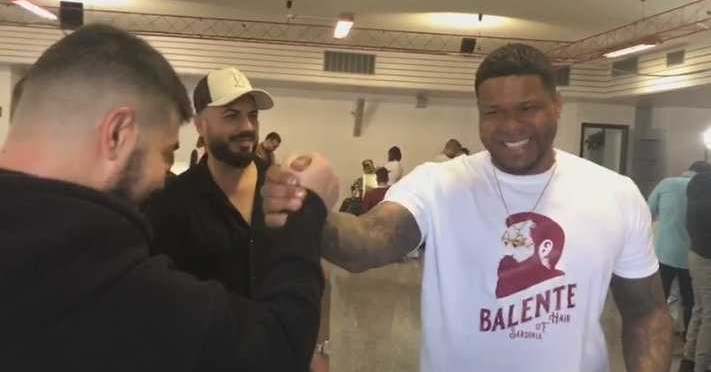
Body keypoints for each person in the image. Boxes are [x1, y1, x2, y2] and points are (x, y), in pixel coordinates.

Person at [263, 43, 672, 372]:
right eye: (493, 112)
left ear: (557, 105)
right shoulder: (438, 183)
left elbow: (647, 313)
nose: (510, 126)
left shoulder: (615, 194)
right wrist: (304, 207)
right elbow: (367, 242)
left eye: (527, 108)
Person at [0, 24, 337, 371]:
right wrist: (307, 208)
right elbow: (276, 350)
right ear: (117, 134)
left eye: (252, 115)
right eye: (164, 153)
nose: (161, 177)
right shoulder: (108, 274)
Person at [145, 66, 277, 297]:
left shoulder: (281, 188)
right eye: (231, 115)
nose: (247, 127)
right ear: (200, 125)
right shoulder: (172, 202)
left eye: (253, 115)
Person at [648, 161, 711, 339]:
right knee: (690, 301)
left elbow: (648, 211)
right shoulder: (705, 190)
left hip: (665, 253)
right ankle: (687, 339)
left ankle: (655, 335)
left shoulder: (666, 184)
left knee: (660, 297)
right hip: (693, 254)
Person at [682, 171, 711, 372]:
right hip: (707, 258)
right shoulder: (706, 201)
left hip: (696, 254)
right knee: (709, 314)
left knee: (700, 309)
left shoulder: (696, 194)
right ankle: (701, 365)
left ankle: (688, 360)